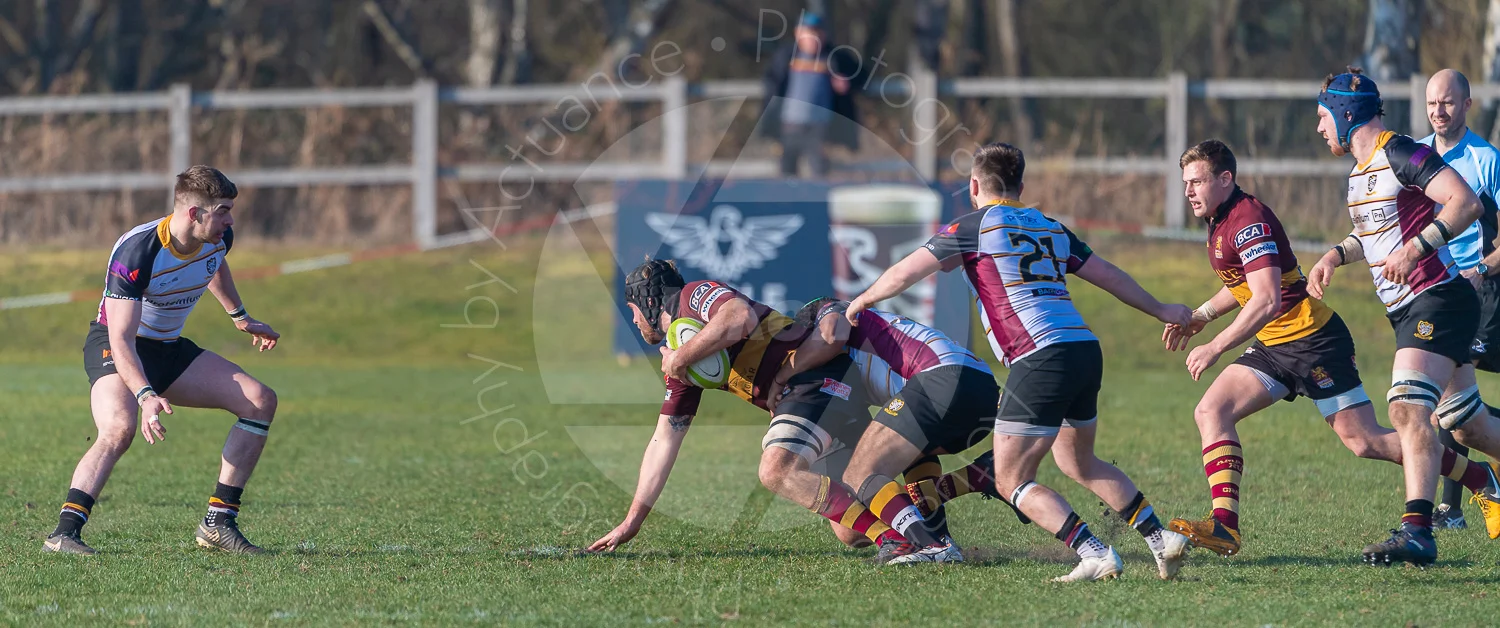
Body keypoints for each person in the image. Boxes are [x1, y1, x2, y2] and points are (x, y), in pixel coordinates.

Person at [843, 142, 1194, 581]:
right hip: (1085, 350)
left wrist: (861, 301)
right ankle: (1161, 538)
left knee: (1010, 479)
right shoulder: (1050, 226)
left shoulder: (972, 225)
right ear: (1021, 186)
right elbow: (1108, 275)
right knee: (1080, 462)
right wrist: (1162, 309)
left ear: (974, 185)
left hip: (1039, 357)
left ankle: (1094, 552)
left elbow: (905, 272)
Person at [1159, 139, 1500, 558]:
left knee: (1366, 442)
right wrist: (1203, 314)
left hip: (1314, 343)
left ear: (1225, 178)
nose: (1189, 190)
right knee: (1211, 410)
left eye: (1197, 181)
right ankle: (1224, 526)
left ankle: (1479, 477)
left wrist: (1214, 346)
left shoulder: (1249, 220)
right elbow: (1245, 284)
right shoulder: (1219, 219)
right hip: (1273, 346)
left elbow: (1265, 299)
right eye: (1186, 183)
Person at [587, 261, 941, 563]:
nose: (633, 321)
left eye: (632, 311)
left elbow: (738, 315)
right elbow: (664, 439)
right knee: (849, 530)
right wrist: (632, 522)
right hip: (808, 398)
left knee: (776, 470)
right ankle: (925, 528)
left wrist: (680, 358)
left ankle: (895, 541)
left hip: (812, 377)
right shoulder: (681, 361)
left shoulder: (692, 296)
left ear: (648, 300)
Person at [1308, 68, 1500, 566]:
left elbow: (1465, 202)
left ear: (1346, 114)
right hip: (1410, 307)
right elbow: (1372, 239)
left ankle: (1417, 530)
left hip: (1438, 297)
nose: (1319, 128)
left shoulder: (1401, 151)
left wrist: (1418, 246)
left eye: (1323, 116)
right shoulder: (1358, 174)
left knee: (1406, 409)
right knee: (1468, 426)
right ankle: (1484, 485)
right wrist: (1334, 254)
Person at [44, 166, 282, 555]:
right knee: (120, 428)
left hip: (168, 347)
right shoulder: (137, 251)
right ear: (194, 213)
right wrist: (145, 395)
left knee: (260, 401)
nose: (229, 219)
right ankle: (64, 533)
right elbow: (121, 338)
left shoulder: (219, 236)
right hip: (117, 345)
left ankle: (218, 523)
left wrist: (240, 317)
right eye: (222, 210)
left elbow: (214, 262)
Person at [769, 297, 995, 565]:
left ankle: (930, 546)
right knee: (911, 466)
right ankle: (976, 481)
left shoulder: (829, 311)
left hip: (941, 380)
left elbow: (831, 335)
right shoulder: (866, 345)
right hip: (981, 390)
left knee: (859, 473)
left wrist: (781, 376)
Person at [1418, 68, 1500, 529]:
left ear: (1467, 104)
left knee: (1459, 407)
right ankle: (1453, 507)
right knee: (1452, 402)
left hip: (1483, 291)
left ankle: (1459, 501)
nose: (1438, 111)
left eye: (1447, 102)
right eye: (1432, 103)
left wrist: (1479, 269)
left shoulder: (1487, 160)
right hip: (1437, 292)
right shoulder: (1417, 156)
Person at [760, 13, 859, 178]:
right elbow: (771, 82)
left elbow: (861, 76)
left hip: (820, 127)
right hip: (789, 124)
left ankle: (817, 201)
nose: (813, 38)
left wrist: (846, 82)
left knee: (819, 171)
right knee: (787, 171)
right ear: (797, 34)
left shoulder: (835, 57)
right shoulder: (786, 55)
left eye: (817, 33)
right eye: (808, 33)